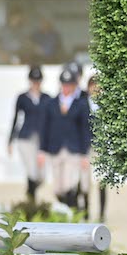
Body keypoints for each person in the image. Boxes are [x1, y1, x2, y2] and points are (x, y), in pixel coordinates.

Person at [38, 66, 91, 209]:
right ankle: (67, 209)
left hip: (73, 149)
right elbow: (44, 128)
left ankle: (72, 211)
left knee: (69, 184)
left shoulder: (81, 104)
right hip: (55, 148)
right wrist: (41, 150)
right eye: (65, 84)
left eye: (70, 85)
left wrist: (85, 153)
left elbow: (85, 129)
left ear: (75, 86)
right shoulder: (51, 103)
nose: (67, 88)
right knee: (57, 188)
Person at [8, 66, 47, 200]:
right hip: (25, 138)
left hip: (41, 140)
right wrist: (10, 140)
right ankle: (32, 201)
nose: (36, 84)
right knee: (32, 171)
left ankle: (30, 191)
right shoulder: (22, 98)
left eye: (38, 81)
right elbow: (16, 119)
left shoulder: (47, 98)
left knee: (42, 176)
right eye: (33, 80)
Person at [83, 74, 107, 220]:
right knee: (85, 180)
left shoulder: (105, 104)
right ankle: (85, 212)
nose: (95, 89)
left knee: (102, 180)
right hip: (86, 146)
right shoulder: (82, 104)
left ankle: (102, 212)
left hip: (100, 145)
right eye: (93, 86)